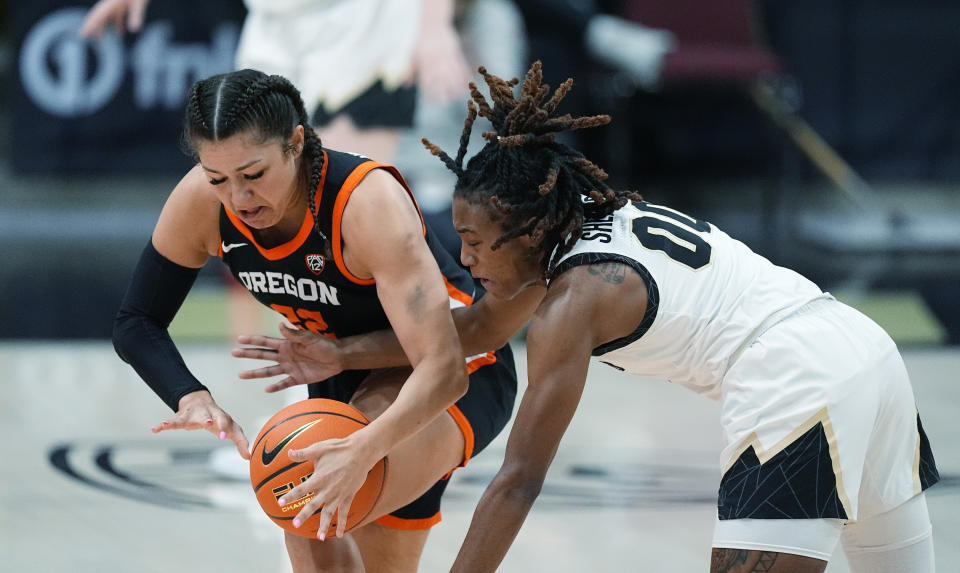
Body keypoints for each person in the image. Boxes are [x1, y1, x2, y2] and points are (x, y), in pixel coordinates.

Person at [234, 62, 940, 572]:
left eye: (477, 242)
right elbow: (476, 330)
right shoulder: (578, 223)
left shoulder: (573, 300)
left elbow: (519, 479)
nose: (466, 257)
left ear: (528, 233)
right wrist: (342, 353)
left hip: (797, 378)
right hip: (863, 351)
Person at [111, 68, 536, 572]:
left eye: (253, 175)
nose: (239, 199)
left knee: (303, 502)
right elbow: (137, 321)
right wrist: (191, 396)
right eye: (218, 179)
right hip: (340, 374)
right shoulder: (203, 203)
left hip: (457, 368)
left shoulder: (365, 202)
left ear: (295, 143)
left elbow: (442, 368)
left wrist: (365, 447)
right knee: (322, 520)